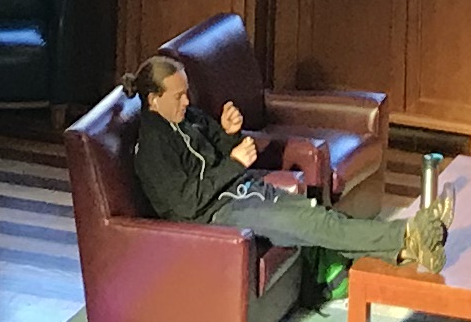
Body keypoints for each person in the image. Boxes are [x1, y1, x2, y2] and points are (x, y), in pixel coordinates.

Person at [126, 52, 419, 262]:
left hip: (238, 191)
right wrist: (234, 164)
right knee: (316, 225)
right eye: (178, 96)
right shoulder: (152, 149)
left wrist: (230, 133)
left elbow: (222, 149)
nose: (187, 101)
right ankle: (408, 233)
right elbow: (187, 203)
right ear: (154, 100)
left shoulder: (188, 117)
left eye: (186, 93)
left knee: (317, 216)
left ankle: (408, 248)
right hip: (215, 215)